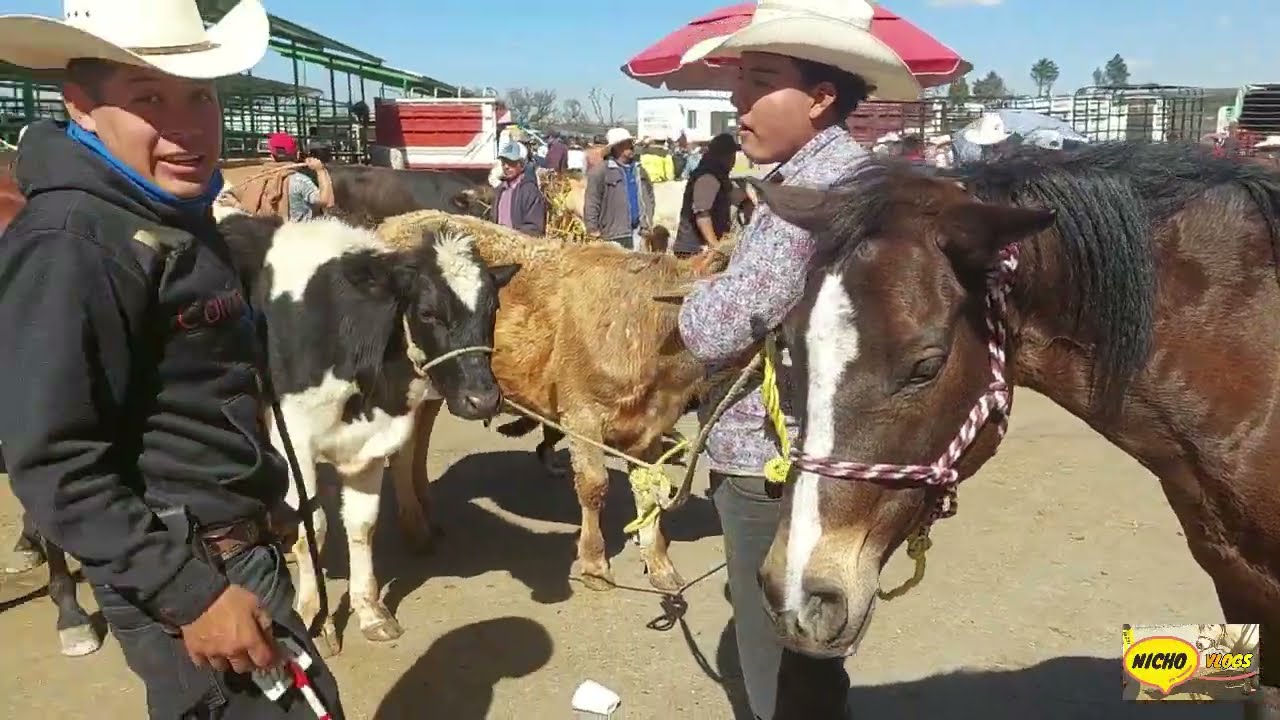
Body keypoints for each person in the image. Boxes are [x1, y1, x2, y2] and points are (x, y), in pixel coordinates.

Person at [0, 1, 345, 718]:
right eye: (148, 98)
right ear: (82, 108)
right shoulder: (77, 243)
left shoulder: (163, 215)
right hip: (192, 570)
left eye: (201, 96)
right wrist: (194, 597)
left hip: (227, 547)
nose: (187, 127)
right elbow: (53, 460)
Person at [677, 0, 921, 718]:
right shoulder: (852, 174)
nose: (735, 99)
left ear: (820, 99)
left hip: (769, 456)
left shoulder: (809, 194)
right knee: (812, 648)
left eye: (758, 80)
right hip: (823, 447)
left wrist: (706, 290)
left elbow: (715, 331)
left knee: (775, 655)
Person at [584, 127, 655, 250]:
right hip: (614, 234)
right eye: (627, 144)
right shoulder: (601, 171)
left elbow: (650, 196)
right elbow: (592, 201)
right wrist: (592, 229)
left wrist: (648, 221)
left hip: (639, 232)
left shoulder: (639, 170)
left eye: (631, 144)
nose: (632, 147)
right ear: (616, 147)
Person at [672, 132, 739, 259]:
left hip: (699, 248)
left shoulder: (718, 176)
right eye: (732, 155)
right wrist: (716, 247)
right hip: (695, 250)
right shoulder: (708, 177)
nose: (733, 160)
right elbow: (702, 215)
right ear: (725, 156)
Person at [491, 141, 547, 236]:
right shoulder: (500, 190)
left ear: (522, 164)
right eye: (504, 162)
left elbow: (534, 228)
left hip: (519, 246)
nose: (506, 166)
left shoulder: (529, 192)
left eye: (511, 162)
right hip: (498, 246)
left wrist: (511, 237)